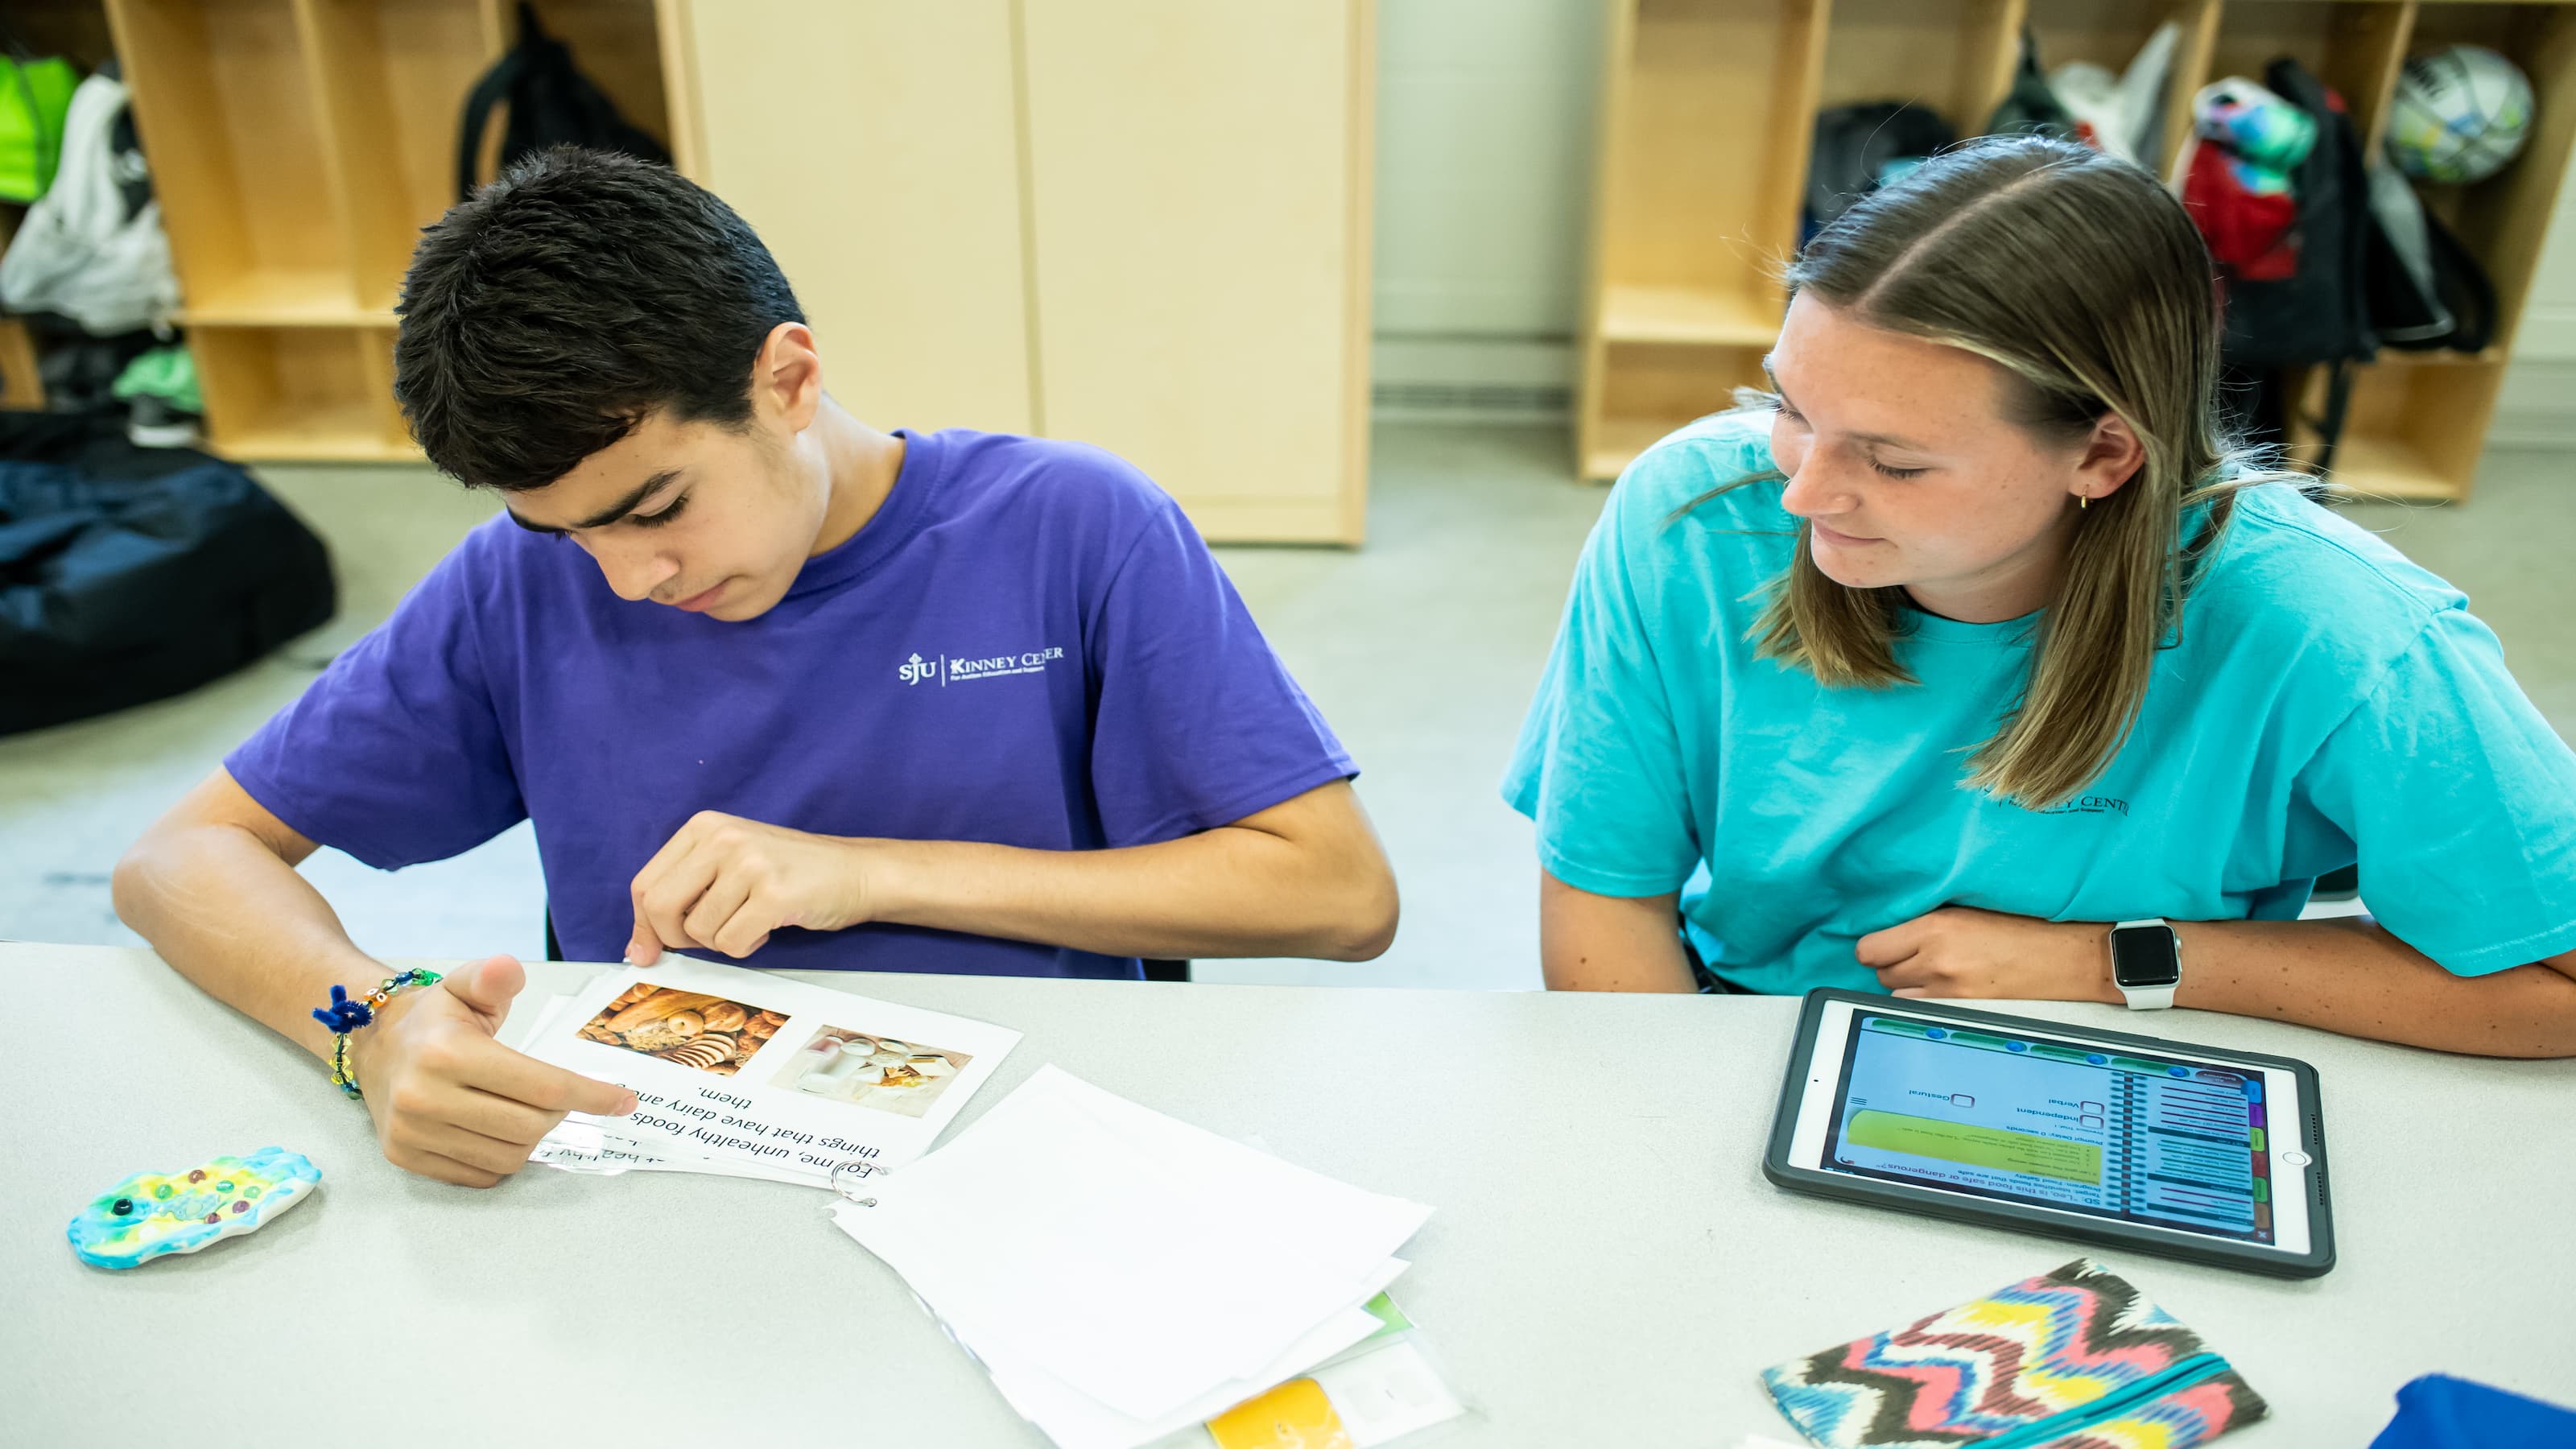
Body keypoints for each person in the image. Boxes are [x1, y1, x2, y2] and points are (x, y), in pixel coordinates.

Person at [114, 148, 1399, 1186]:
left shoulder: (1074, 527)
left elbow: (1337, 896)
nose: (627, 578)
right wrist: (377, 1028)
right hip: (672, 1159)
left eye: (658, 506)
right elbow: (176, 861)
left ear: (787, 379)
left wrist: (865, 872)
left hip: (1030, 1150)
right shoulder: (523, 582)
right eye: (564, 529)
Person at [1505, 135, 2576, 1058]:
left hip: (2134, 1053)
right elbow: (1609, 892)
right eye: (1789, 405)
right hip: (1746, 1035)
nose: (1800, 490)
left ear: (2104, 454)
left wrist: (2114, 964)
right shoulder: (1691, 513)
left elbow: (2557, 989)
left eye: (1894, 460)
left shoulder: (2342, 633)